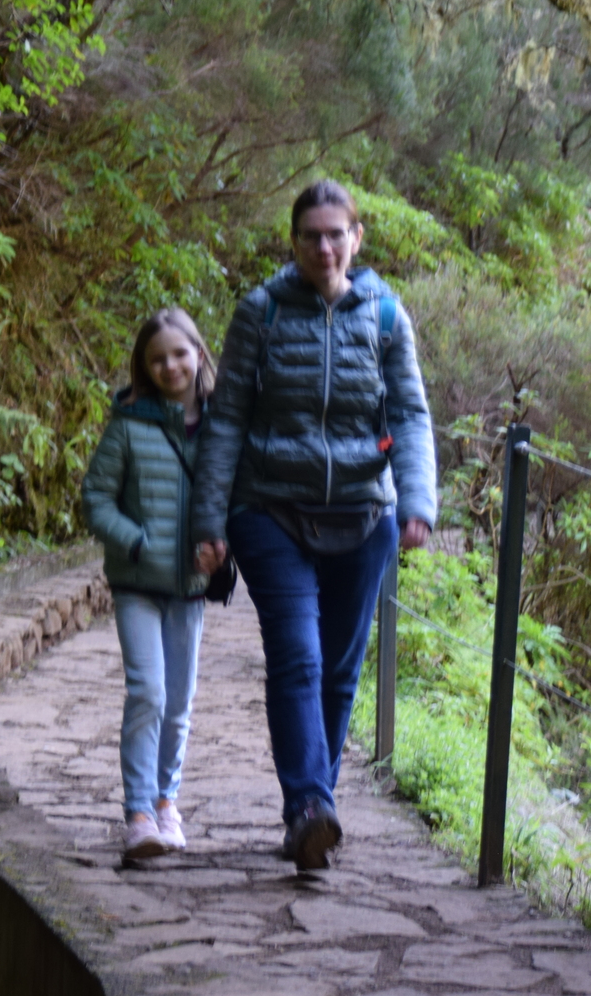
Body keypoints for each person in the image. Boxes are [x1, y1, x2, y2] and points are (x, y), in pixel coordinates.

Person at [193, 179, 436, 870]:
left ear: (356, 239)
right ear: (293, 242)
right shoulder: (261, 312)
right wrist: (210, 519)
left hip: (364, 512)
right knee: (298, 657)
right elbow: (227, 419)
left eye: (336, 234)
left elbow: (410, 414)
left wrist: (417, 501)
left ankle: (312, 812)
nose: (324, 248)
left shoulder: (385, 316)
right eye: (311, 236)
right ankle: (307, 805)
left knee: (338, 670)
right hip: (270, 509)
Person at [81, 308, 219, 860]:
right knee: (148, 693)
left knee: (178, 702)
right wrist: (136, 542)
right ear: (144, 365)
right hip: (137, 582)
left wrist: (223, 543)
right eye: (157, 358)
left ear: (199, 354)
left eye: (180, 353)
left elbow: (237, 492)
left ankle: (167, 802)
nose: (171, 366)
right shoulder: (129, 423)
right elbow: (96, 498)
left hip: (190, 586)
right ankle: (138, 814)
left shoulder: (223, 424)